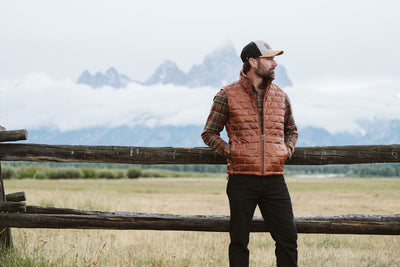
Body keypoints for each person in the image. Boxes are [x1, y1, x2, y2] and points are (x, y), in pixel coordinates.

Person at [201, 40, 298, 267]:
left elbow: (291, 130)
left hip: (275, 179)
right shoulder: (226, 94)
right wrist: (232, 152)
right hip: (241, 179)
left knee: (288, 239)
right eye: (269, 59)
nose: (275, 63)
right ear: (253, 62)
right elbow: (209, 133)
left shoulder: (281, 96)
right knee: (239, 242)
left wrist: (287, 149)